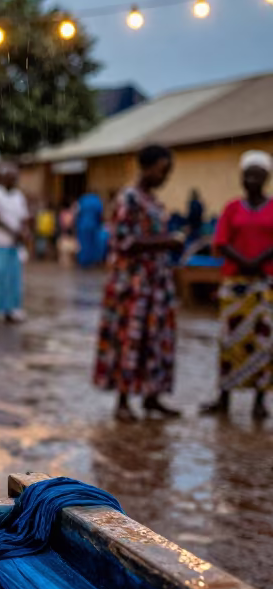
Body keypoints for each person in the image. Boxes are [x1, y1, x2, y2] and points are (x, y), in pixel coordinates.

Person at [93, 145, 184, 422]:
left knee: (155, 339)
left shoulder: (154, 202)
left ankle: (151, 396)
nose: (165, 176)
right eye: (162, 170)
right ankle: (122, 401)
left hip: (156, 284)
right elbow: (122, 241)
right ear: (148, 167)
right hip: (132, 284)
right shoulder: (128, 199)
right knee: (128, 337)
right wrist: (166, 242)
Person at [201, 150, 273, 420]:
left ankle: (259, 400)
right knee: (230, 340)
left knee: (264, 342)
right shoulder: (232, 208)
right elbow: (221, 241)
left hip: (265, 284)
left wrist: (261, 260)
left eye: (257, 175)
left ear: (266, 177)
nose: (251, 180)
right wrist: (244, 260)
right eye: (246, 175)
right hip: (235, 285)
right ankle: (224, 397)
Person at [0, 164, 30, 323]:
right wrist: (12, 231)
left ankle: (11, 310)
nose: (13, 180)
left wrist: (23, 232)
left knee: (13, 278)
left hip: (14, 245)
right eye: (10, 177)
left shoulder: (19, 196)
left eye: (14, 177)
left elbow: (23, 218)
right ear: (3, 178)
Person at [75, 191, 106, 268]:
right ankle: (92, 261)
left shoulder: (82, 200)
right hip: (94, 225)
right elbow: (100, 214)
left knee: (83, 243)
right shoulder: (97, 201)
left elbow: (77, 212)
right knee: (93, 243)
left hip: (82, 225)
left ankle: (83, 261)